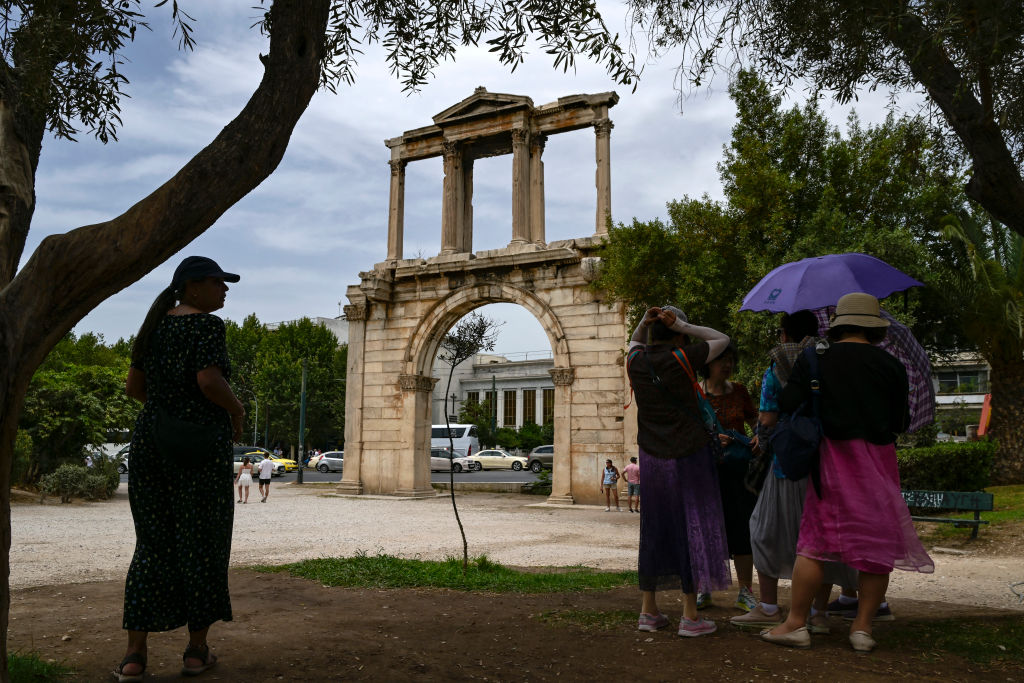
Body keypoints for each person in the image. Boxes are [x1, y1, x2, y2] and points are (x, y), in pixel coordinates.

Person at [762, 293, 933, 653]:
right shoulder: (892, 366)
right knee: (876, 546)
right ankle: (863, 629)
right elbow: (900, 422)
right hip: (877, 462)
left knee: (813, 544)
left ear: (838, 326)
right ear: (874, 329)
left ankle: (796, 624)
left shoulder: (814, 358)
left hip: (831, 462)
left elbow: (789, 403)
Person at [114, 256, 244, 682]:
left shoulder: (152, 328)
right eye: (217, 282)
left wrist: (166, 413)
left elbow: (135, 389)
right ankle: (195, 652)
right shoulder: (206, 326)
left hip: (150, 444)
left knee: (152, 546)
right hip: (201, 448)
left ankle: (134, 657)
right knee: (203, 542)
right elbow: (209, 381)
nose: (224, 289)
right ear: (192, 287)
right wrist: (236, 409)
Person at [732, 310, 857, 632]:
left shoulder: (778, 365)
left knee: (764, 530)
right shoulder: (835, 360)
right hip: (828, 462)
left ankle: (770, 606)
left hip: (789, 463)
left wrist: (763, 429)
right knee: (820, 539)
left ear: (785, 333)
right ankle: (818, 614)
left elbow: (768, 418)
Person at [626, 305, 732, 637]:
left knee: (654, 527)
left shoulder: (636, 362)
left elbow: (633, 342)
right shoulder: (684, 357)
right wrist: (685, 324)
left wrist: (645, 323)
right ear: (679, 334)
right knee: (693, 527)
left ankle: (649, 611)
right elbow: (722, 338)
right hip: (689, 453)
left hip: (652, 457)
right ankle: (690, 616)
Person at [695, 342, 758, 613]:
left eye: (731, 359)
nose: (728, 364)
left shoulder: (741, 391)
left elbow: (756, 422)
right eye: (722, 359)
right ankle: (704, 588)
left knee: (742, 529)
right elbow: (688, 430)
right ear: (708, 363)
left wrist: (758, 437)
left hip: (739, 471)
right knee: (708, 528)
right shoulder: (696, 394)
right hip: (707, 471)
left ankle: (745, 591)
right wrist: (709, 439)